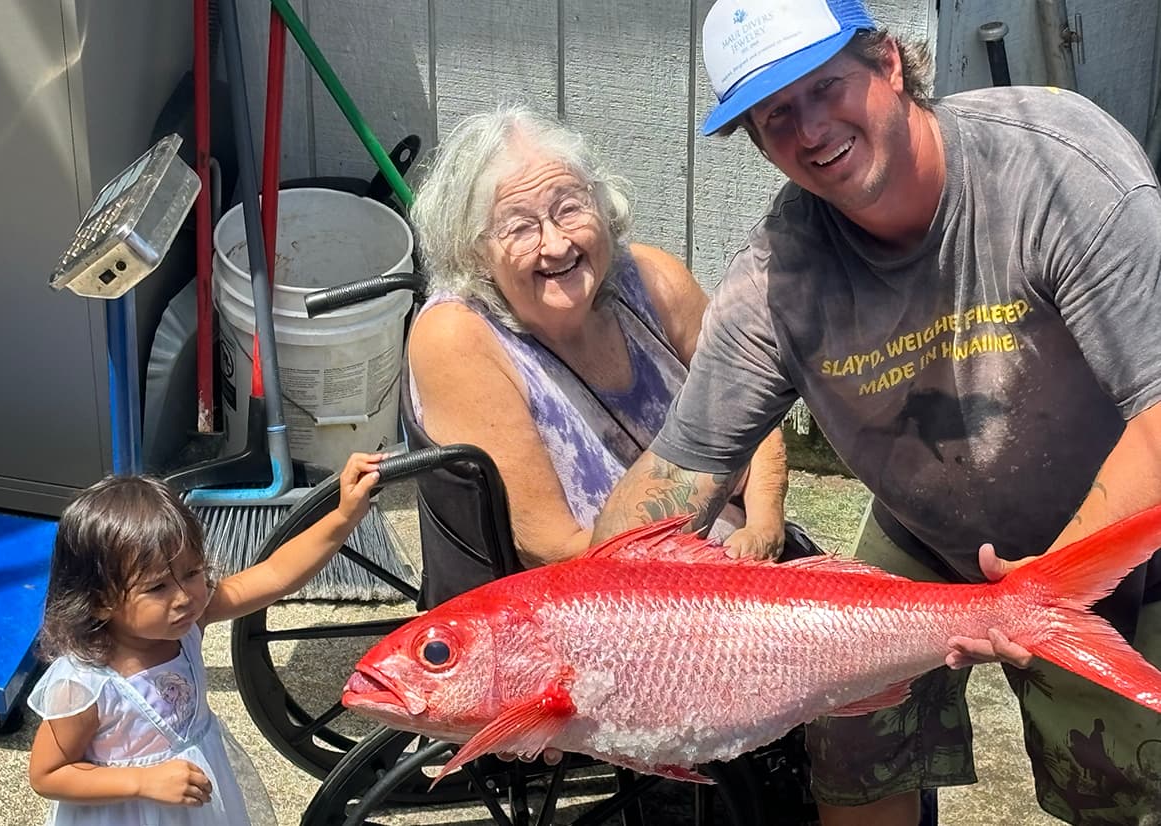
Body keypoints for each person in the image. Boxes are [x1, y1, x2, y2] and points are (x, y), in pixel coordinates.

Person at [591, 0, 1161, 824]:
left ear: (890, 63)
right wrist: (562, 634)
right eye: (776, 114)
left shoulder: (1054, 166)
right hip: (922, 528)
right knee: (854, 757)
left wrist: (1033, 597)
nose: (811, 129)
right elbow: (680, 472)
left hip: (1123, 529)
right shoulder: (776, 280)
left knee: (1121, 784)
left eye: (825, 87)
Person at [405, 105, 790, 571]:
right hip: (604, 599)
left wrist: (765, 526)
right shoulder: (457, 338)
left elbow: (755, 402)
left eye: (569, 208)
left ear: (602, 205)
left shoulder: (651, 278)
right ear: (474, 250)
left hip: (741, 557)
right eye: (520, 228)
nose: (557, 244)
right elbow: (550, 548)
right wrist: (712, 568)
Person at [27, 453, 382, 825]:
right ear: (100, 601)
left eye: (192, 572)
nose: (184, 596)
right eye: (157, 587)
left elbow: (277, 574)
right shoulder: (85, 684)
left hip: (197, 805)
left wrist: (344, 516)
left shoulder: (192, 622)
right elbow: (48, 774)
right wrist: (141, 781)